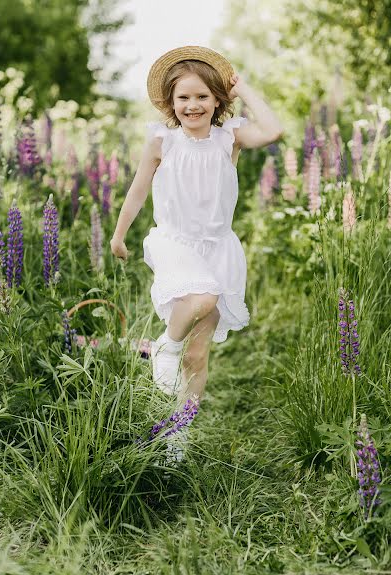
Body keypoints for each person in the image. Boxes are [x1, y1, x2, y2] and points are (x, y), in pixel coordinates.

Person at [110, 45, 284, 408]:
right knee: (201, 298)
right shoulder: (163, 142)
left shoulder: (229, 138)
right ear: (170, 103)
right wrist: (119, 235)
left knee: (198, 356)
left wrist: (244, 88)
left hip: (217, 248)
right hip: (176, 244)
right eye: (183, 97)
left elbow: (273, 130)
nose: (193, 105)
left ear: (218, 100)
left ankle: (179, 433)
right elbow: (138, 190)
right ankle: (165, 345)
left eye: (203, 96)